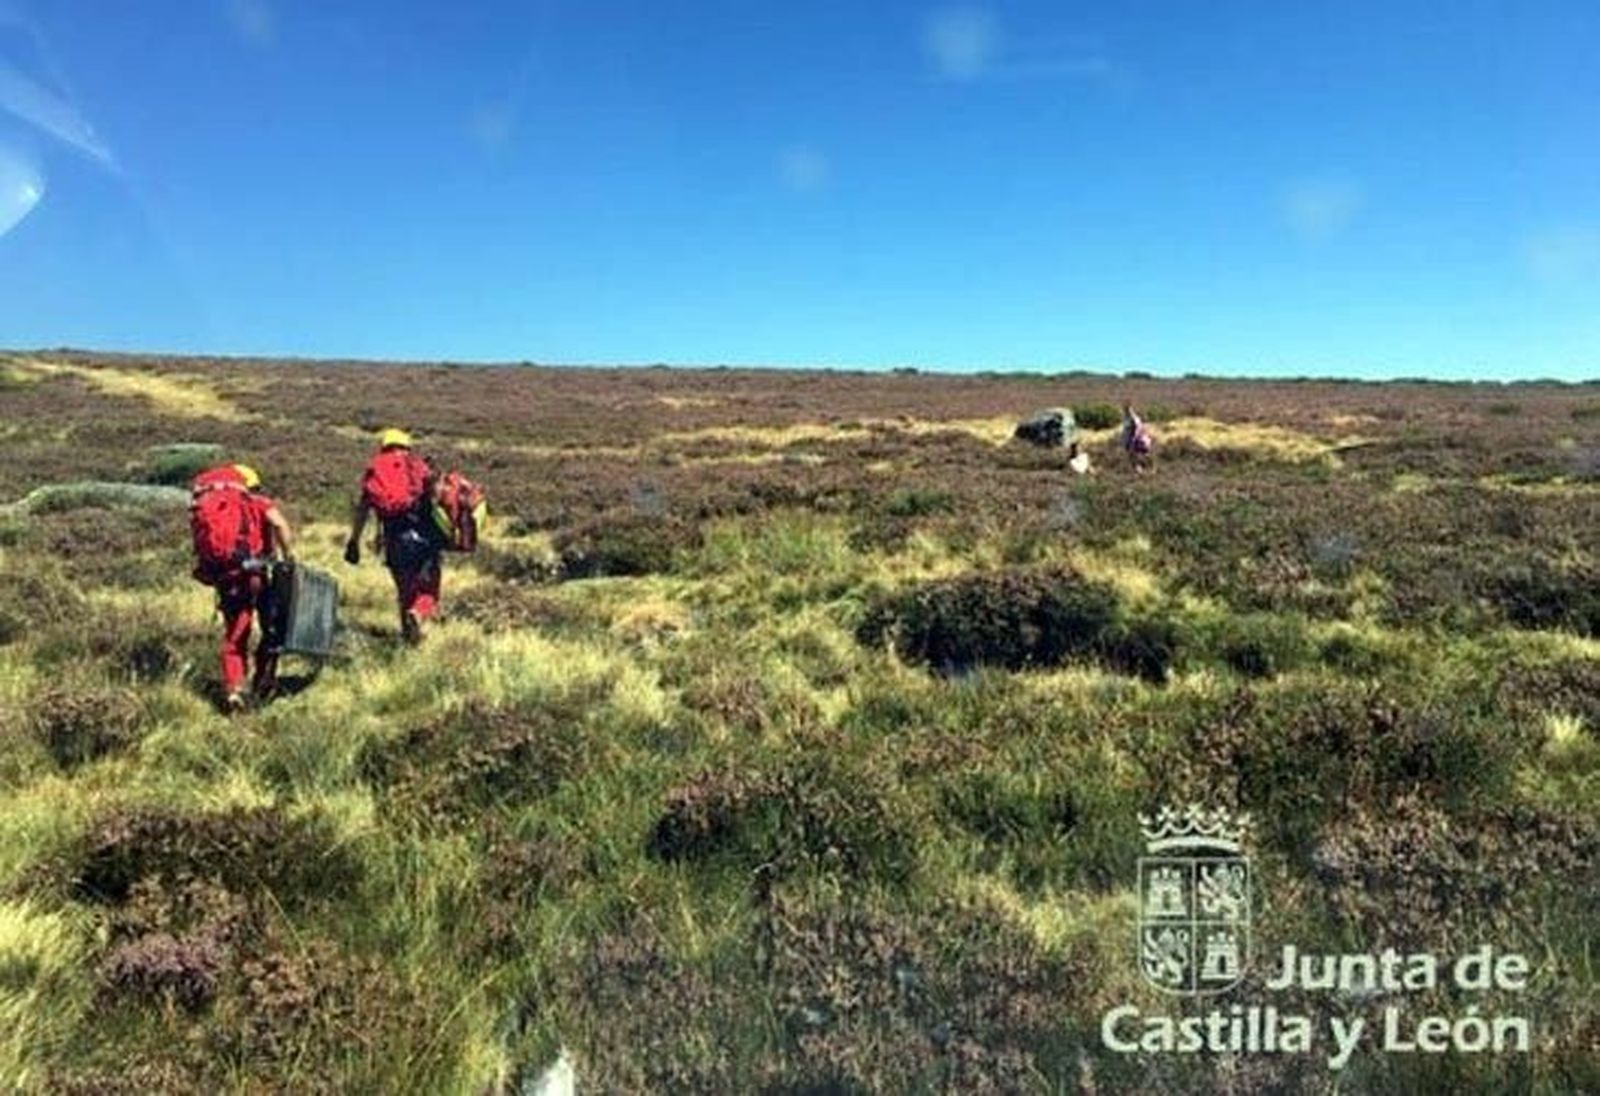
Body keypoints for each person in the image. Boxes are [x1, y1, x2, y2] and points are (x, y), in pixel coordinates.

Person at [192, 463, 295, 712]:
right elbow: (280, 524)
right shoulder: (259, 502)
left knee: (236, 636)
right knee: (272, 629)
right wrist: (289, 557)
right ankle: (264, 680)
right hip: (260, 574)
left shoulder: (213, 504)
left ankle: (235, 689)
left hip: (229, 578)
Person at [344, 428, 444, 645]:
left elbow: (362, 510)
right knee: (429, 592)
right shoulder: (418, 466)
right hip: (425, 537)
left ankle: (409, 641)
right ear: (406, 446)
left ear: (384, 446)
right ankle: (418, 615)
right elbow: (438, 497)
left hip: (395, 538)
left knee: (405, 592)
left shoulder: (376, 469)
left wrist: (354, 542)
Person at [1121, 402, 1154, 473]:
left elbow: (1137, 428)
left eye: (1128, 409)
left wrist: (1134, 437)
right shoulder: (1126, 418)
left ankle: (1148, 467)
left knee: (1141, 454)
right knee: (1131, 455)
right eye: (1126, 409)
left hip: (1136, 439)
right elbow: (1126, 429)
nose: (1127, 411)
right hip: (1129, 439)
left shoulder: (1134, 418)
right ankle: (1138, 469)